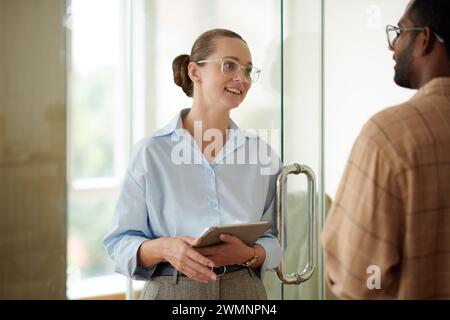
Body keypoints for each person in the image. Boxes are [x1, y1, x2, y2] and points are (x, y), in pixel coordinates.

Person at [103, 29, 283, 300]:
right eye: (229, 65)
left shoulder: (261, 154)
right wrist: (165, 249)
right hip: (171, 289)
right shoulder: (152, 152)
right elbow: (119, 243)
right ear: (195, 72)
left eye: (247, 70)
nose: (241, 78)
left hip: (243, 290)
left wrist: (251, 254)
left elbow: (276, 239)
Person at [321, 0, 450, 299]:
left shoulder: (390, 136)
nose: (392, 47)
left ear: (425, 39)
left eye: (400, 31)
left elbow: (356, 277)